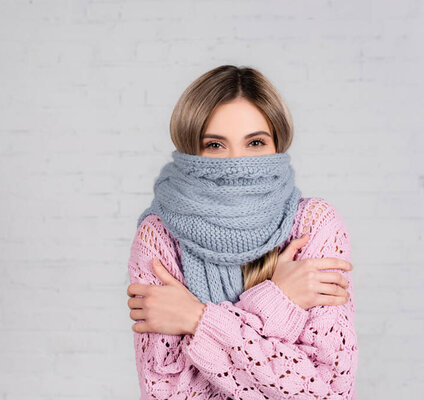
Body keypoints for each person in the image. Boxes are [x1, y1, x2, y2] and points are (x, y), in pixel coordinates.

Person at [125, 65, 358, 399]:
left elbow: (327, 392)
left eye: (255, 143)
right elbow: (169, 393)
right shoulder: (159, 236)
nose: (236, 163)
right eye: (215, 145)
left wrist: (196, 319)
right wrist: (279, 305)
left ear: (277, 143)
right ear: (192, 150)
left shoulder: (314, 225)